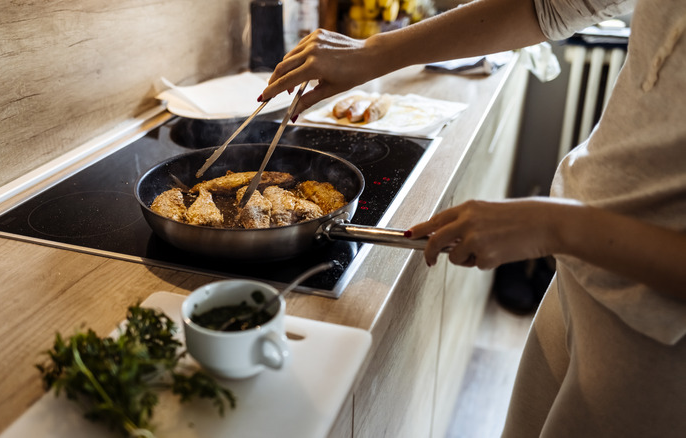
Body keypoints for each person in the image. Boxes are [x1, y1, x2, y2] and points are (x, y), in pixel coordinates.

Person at [261, 0, 686, 436]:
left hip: (660, 328)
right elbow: (548, 8)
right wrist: (372, 53)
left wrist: (557, 226)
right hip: (584, 264)